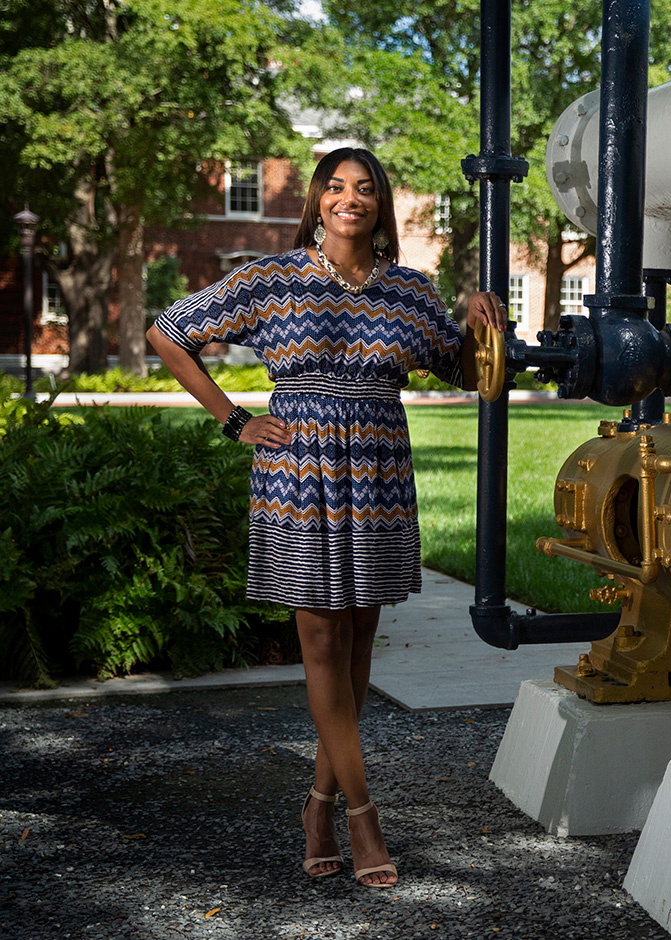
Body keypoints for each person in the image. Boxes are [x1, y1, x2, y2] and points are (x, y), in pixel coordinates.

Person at [145, 147, 506, 888]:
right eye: (336, 187)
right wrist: (233, 419)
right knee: (319, 644)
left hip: (375, 477)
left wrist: (475, 322)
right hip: (299, 473)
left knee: (357, 646)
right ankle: (363, 819)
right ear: (316, 202)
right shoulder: (271, 279)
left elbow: (468, 375)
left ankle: (316, 804)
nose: (350, 198)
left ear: (380, 205)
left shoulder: (409, 289)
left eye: (365, 188)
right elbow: (168, 332)